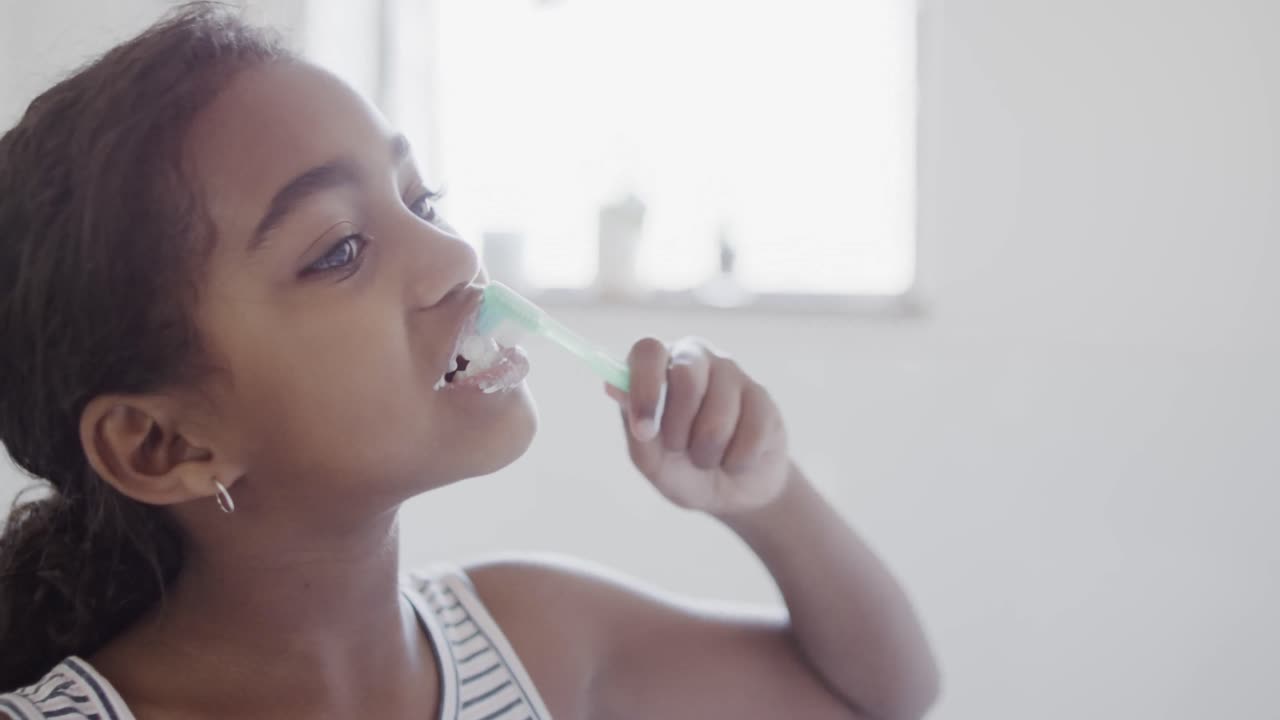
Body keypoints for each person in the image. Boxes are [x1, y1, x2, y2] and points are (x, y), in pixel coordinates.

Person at [0, 4, 939, 718]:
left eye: (424, 198)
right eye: (339, 250)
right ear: (163, 445)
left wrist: (767, 497)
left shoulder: (531, 639)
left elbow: (877, 695)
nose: (454, 257)